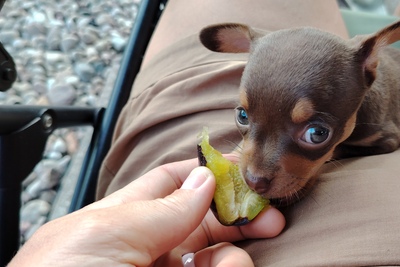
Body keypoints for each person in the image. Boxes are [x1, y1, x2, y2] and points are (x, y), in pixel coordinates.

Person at [9, 0, 400, 266]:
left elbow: (385, 140)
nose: (257, 173)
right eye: (244, 117)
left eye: (314, 132)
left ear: (369, 65)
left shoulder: (372, 117)